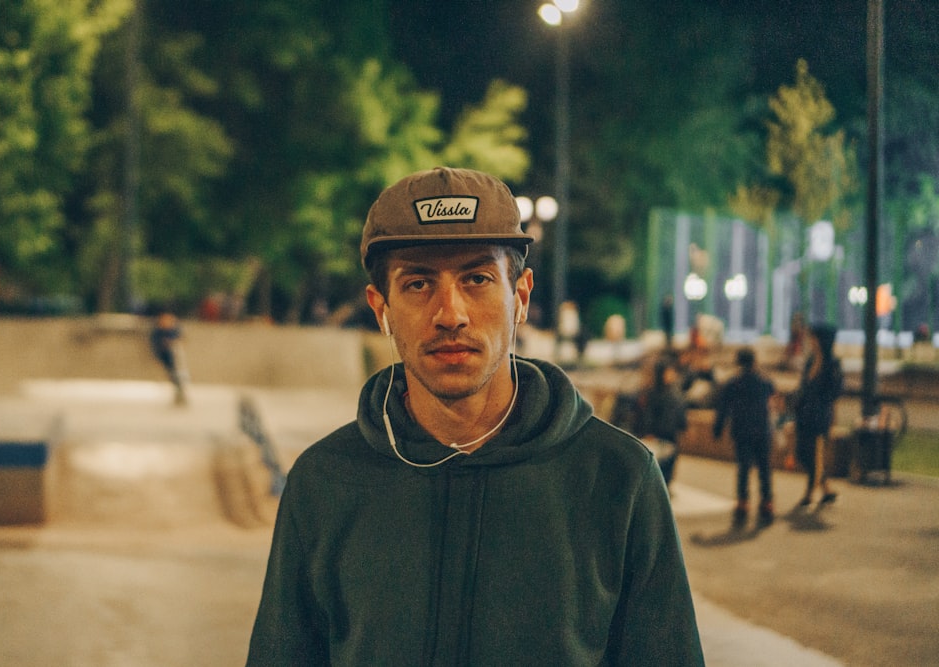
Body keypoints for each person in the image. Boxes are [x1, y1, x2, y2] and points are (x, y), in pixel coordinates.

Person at [246, 167, 703, 665]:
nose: (451, 313)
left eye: (478, 278)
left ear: (520, 298)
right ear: (381, 309)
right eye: (418, 283)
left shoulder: (618, 478)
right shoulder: (325, 481)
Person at [713, 347, 776, 527]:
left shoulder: (733, 383)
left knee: (743, 468)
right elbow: (773, 398)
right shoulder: (764, 381)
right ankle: (767, 502)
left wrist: (717, 429)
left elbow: (723, 409)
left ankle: (743, 503)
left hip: (742, 432)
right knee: (764, 468)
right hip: (762, 431)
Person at [794, 323, 843, 507]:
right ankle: (826, 488)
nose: (811, 341)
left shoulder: (832, 364)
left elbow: (836, 390)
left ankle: (809, 494)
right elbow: (803, 387)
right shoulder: (810, 361)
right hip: (804, 415)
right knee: (802, 453)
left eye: (814, 338)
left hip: (820, 416)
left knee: (815, 455)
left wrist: (823, 402)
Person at [632, 356, 688, 486]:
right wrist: (648, 432)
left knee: (670, 464)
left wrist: (683, 427)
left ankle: (665, 489)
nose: (672, 374)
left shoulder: (674, 392)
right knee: (658, 466)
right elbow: (647, 414)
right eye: (669, 371)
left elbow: (680, 411)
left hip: (671, 434)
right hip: (657, 435)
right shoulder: (653, 393)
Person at [149, 311, 187, 405]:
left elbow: (180, 338)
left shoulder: (174, 329)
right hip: (165, 355)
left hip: (174, 355)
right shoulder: (158, 331)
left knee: (177, 373)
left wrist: (171, 342)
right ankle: (178, 391)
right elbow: (155, 344)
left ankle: (180, 391)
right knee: (172, 373)